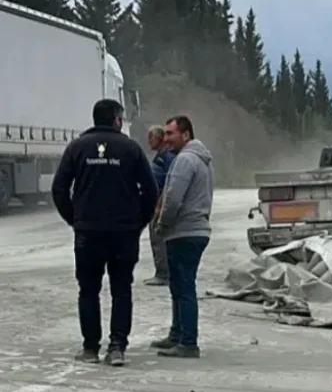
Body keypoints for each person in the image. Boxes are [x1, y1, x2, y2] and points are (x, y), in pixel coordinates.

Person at [51, 99, 159, 367]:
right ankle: (117, 347)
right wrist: (139, 223)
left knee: (88, 290)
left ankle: (90, 348)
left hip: (88, 232)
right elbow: (151, 191)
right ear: (116, 120)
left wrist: (75, 220)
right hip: (124, 233)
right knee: (122, 289)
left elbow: (59, 189)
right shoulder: (131, 149)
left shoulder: (77, 147)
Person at [150, 115, 214, 358]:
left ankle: (188, 342)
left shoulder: (185, 161)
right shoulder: (202, 159)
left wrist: (162, 223)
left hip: (183, 231)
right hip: (196, 229)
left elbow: (173, 198)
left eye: (170, 133)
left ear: (185, 135)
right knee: (178, 285)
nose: (165, 139)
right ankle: (176, 334)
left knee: (184, 287)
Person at [144, 125, 176, 286]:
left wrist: (159, 206)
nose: (148, 140)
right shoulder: (161, 157)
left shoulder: (166, 158)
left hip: (161, 205)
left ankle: (163, 274)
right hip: (157, 203)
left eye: (151, 137)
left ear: (161, 138)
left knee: (158, 238)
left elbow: (169, 183)